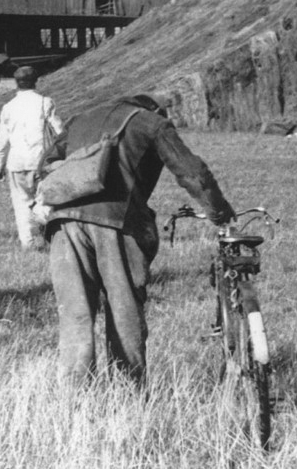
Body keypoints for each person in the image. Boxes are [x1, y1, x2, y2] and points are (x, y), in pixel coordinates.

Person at [42, 94, 235, 385]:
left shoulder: (81, 117)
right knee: (124, 311)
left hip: (63, 222)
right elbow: (192, 172)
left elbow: (44, 166)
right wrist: (220, 213)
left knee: (75, 314)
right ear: (155, 108)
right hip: (116, 222)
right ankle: (127, 390)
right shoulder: (153, 123)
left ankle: (75, 395)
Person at [0, 66, 64, 250]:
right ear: (36, 81)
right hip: (40, 162)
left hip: (16, 163)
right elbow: (60, 132)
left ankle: (28, 243)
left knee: (21, 204)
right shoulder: (45, 102)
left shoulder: (8, 107)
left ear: (16, 83)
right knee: (45, 201)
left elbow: (3, 142)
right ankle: (50, 237)